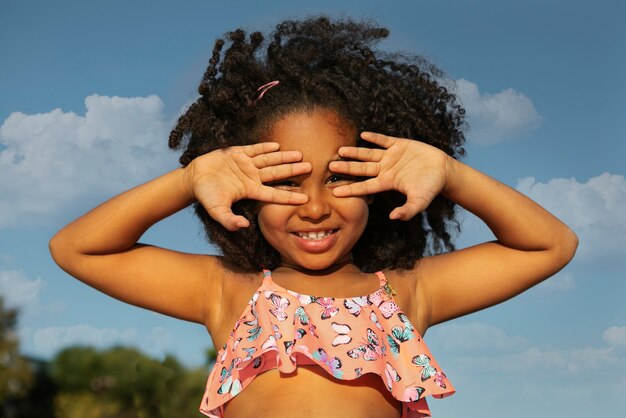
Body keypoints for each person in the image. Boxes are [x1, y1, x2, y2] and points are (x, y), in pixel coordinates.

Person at [49, 16, 578, 418]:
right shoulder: (225, 291)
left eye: (340, 178)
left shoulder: (405, 293)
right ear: (246, 192)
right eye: (284, 183)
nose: (316, 207)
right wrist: (189, 180)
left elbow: (549, 244)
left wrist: (449, 173)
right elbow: (77, 248)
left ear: (381, 185)